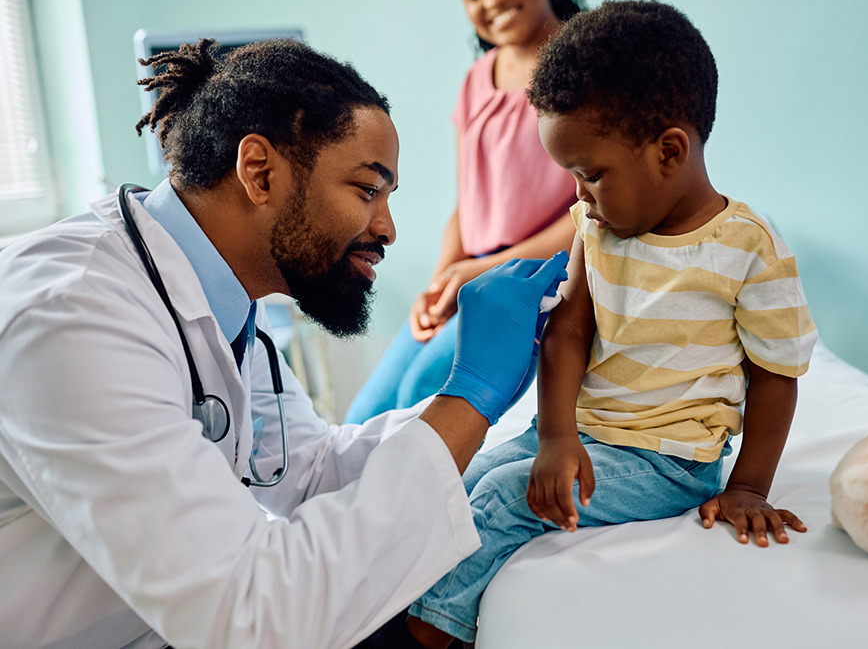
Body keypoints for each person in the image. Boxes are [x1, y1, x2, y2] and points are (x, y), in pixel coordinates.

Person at [0, 37, 568, 649]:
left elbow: (313, 470)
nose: (387, 229)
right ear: (260, 172)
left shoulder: (224, 303)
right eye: (365, 190)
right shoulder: (74, 315)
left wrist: (514, 431)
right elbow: (250, 616)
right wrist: (470, 395)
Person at [359, 0, 819, 648]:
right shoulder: (595, 230)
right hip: (584, 434)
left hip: (665, 462)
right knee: (460, 481)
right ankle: (375, 597)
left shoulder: (748, 247)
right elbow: (568, 333)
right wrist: (554, 438)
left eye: (591, 175)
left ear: (669, 151)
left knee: (505, 499)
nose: (578, 196)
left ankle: (426, 635)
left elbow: (777, 374)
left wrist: (746, 485)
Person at [344, 0, 585, 424]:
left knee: (421, 396)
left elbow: (590, 212)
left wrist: (480, 270)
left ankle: (413, 496)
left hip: (536, 274)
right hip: (473, 273)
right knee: (363, 415)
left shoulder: (583, 69)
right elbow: (467, 204)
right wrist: (440, 284)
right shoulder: (477, 80)